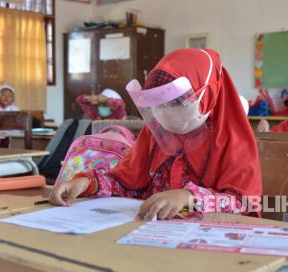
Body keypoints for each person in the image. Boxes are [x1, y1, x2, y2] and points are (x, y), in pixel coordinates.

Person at [50, 48, 262, 220]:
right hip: (151, 234)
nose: (165, 113)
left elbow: (243, 204)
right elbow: (129, 184)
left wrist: (189, 197)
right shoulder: (156, 134)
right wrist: (87, 183)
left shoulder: (234, 142)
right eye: (157, 105)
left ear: (208, 95)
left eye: (177, 102)